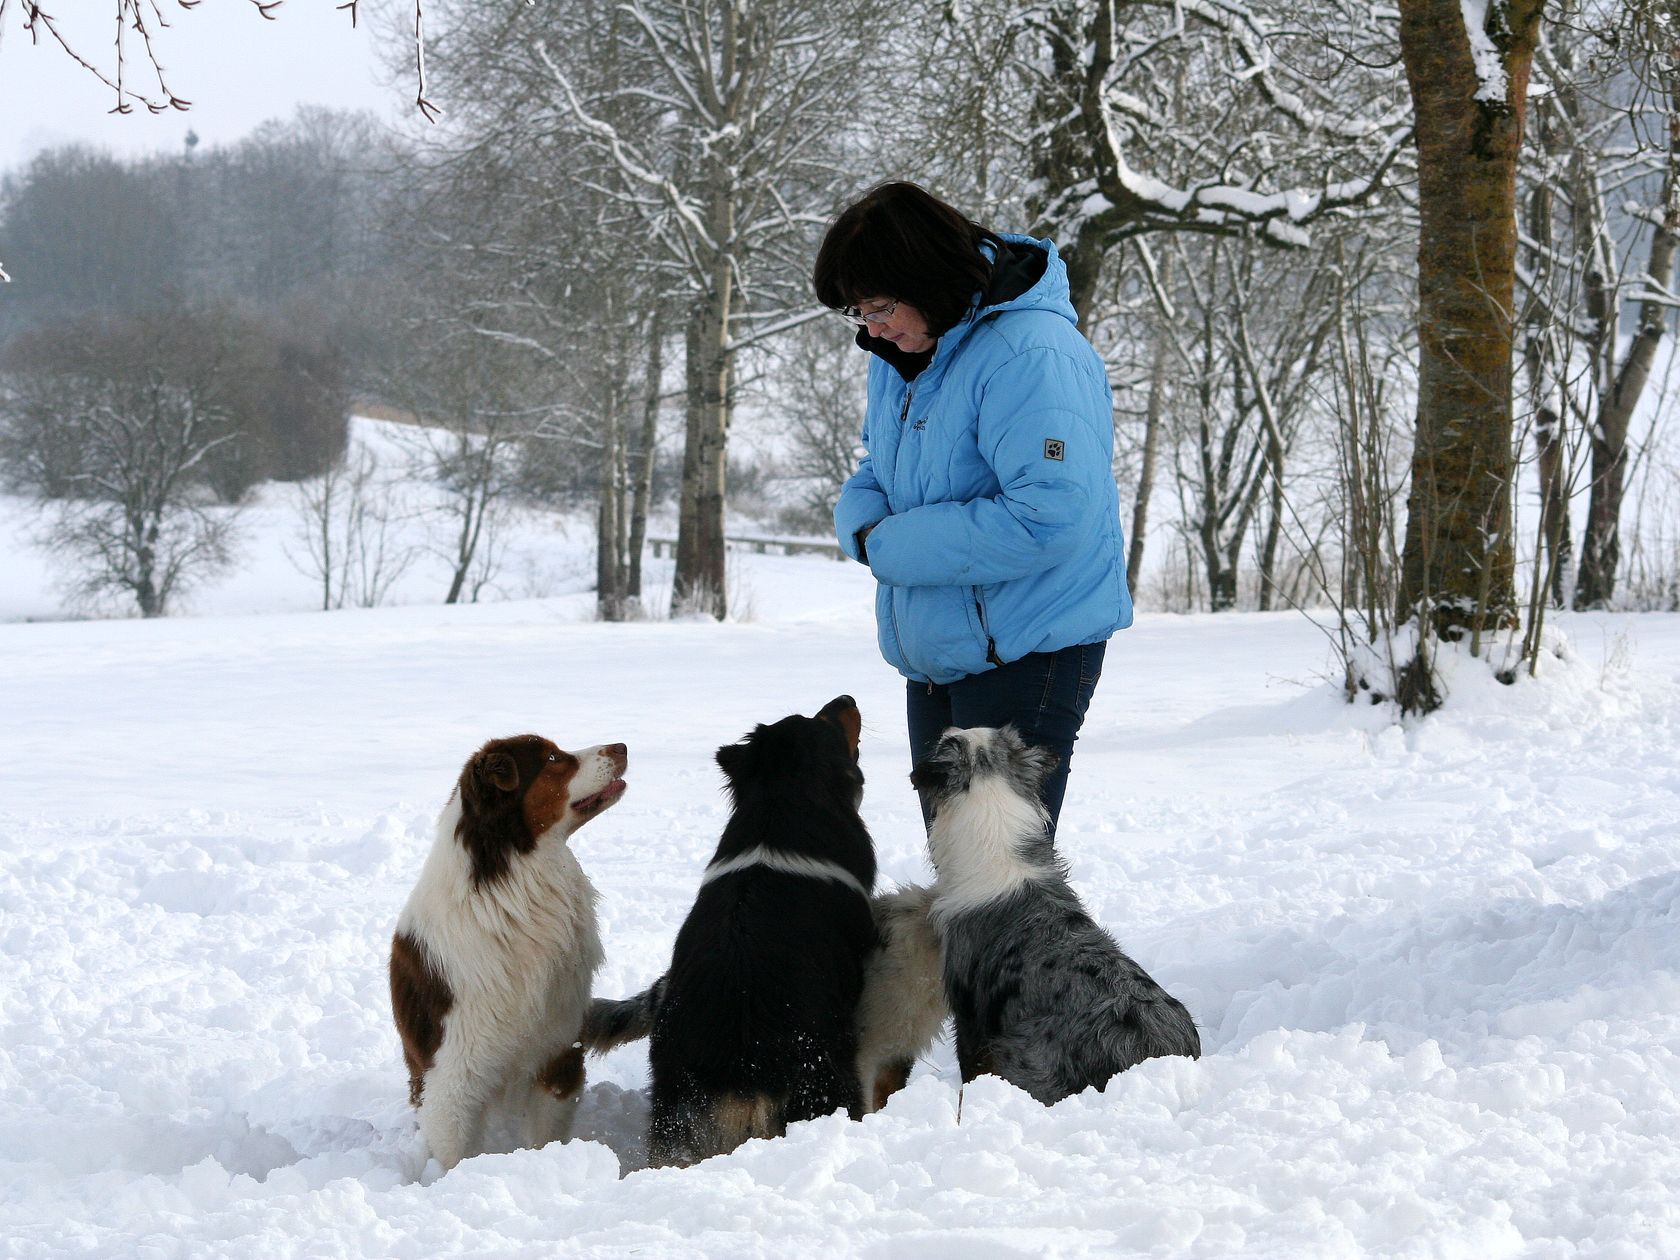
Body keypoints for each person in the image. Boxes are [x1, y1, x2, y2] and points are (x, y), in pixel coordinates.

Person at [815, 181, 1132, 833]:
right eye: (858, 312)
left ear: (927, 279)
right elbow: (884, 468)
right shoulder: (905, 351)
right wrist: (864, 527)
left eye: (878, 306)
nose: (870, 328)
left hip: (1027, 649)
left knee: (1001, 883)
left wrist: (891, 547)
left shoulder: (1031, 354)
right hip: (943, 651)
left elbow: (1048, 516)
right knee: (959, 873)